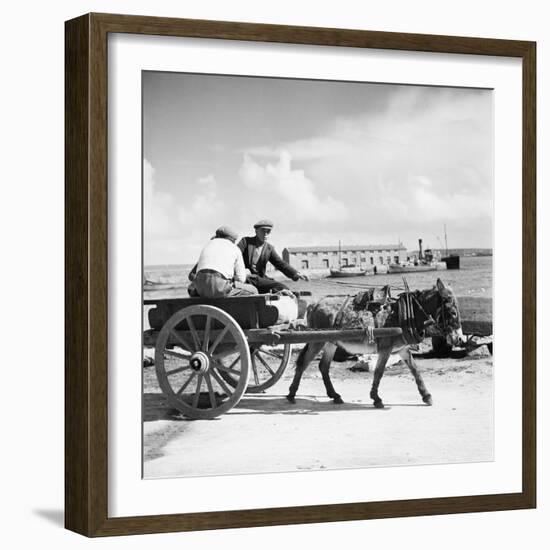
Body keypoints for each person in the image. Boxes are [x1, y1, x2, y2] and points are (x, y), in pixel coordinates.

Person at [237, 219, 308, 294]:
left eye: (268, 231)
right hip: (245, 277)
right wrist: (242, 269)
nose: (265, 234)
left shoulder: (269, 249)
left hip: (259, 279)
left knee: (281, 287)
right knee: (281, 288)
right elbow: (234, 256)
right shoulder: (245, 242)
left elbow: (280, 264)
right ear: (256, 231)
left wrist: (295, 273)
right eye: (263, 231)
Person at [188, 226, 258, 298]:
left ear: (217, 236)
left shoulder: (208, 245)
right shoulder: (235, 248)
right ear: (233, 240)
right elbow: (241, 279)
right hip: (220, 288)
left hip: (200, 289)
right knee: (253, 290)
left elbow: (191, 276)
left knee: (192, 288)